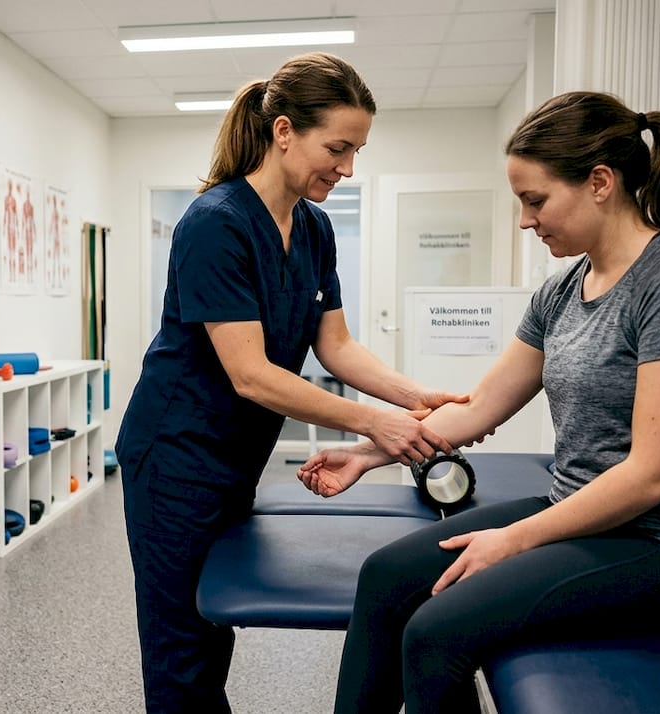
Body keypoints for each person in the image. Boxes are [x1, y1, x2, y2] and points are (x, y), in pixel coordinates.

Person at [298, 91, 660, 714]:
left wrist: (514, 539)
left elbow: (655, 475)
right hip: (584, 514)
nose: (524, 220)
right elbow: (482, 405)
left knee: (437, 632)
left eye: (535, 200)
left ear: (599, 182)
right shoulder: (563, 288)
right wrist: (373, 452)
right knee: (386, 578)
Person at [114, 52, 466, 713]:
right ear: (283, 132)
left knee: (211, 626)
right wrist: (371, 423)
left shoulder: (313, 226)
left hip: (233, 455)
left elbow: (334, 345)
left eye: (356, 150)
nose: (347, 167)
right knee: (181, 647)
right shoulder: (215, 223)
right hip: (175, 455)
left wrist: (413, 398)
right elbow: (249, 374)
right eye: (337, 148)